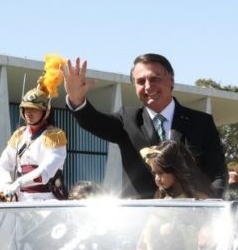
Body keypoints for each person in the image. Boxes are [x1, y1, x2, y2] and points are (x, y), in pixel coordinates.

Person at [63, 53, 226, 198]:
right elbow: (95, 122)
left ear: (171, 80)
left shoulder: (201, 122)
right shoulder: (127, 119)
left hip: (191, 216)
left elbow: (217, 171)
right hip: (141, 220)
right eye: (140, 81)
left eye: (155, 78)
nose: (148, 86)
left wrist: (211, 202)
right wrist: (77, 100)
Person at [0, 57, 68, 201]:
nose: (29, 113)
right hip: (19, 199)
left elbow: (44, 172)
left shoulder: (55, 136)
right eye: (26, 109)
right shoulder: (19, 135)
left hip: (47, 199)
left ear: (45, 111)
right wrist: (6, 184)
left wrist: (19, 182)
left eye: (34, 109)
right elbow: (2, 164)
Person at [141, 140, 212, 199]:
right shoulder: (159, 195)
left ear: (175, 169)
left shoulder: (197, 196)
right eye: (155, 173)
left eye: (160, 173)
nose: (157, 178)